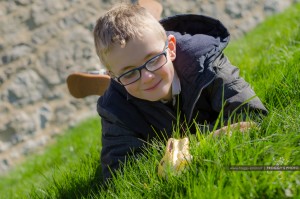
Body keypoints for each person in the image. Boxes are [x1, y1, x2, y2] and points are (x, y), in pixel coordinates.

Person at [93, 3, 268, 182]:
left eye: (153, 60)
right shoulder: (114, 109)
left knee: (137, 70)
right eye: (129, 72)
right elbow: (119, 174)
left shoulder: (207, 63)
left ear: (171, 48)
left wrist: (192, 146)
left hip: (177, 65)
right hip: (119, 89)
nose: (147, 77)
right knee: (120, 89)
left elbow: (251, 114)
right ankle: (109, 78)